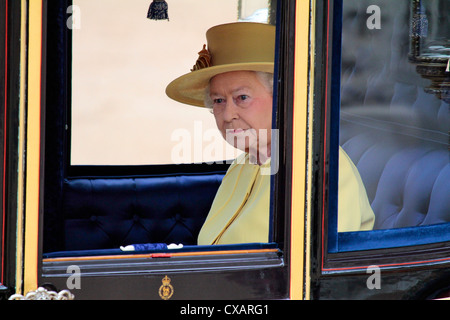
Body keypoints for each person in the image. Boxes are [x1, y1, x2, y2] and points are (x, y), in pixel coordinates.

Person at [166, 22, 374, 245]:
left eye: (242, 97)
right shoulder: (242, 164)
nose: (227, 114)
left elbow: (312, 275)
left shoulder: (320, 168)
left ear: (281, 98)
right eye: (218, 100)